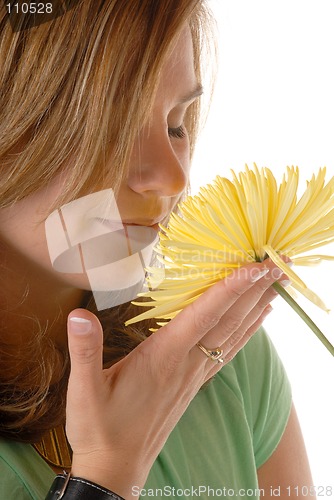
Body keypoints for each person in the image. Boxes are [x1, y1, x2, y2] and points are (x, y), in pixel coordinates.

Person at [0, 1, 314, 498]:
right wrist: (105, 476)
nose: (172, 178)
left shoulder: (216, 350)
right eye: (111, 125)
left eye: (176, 124)